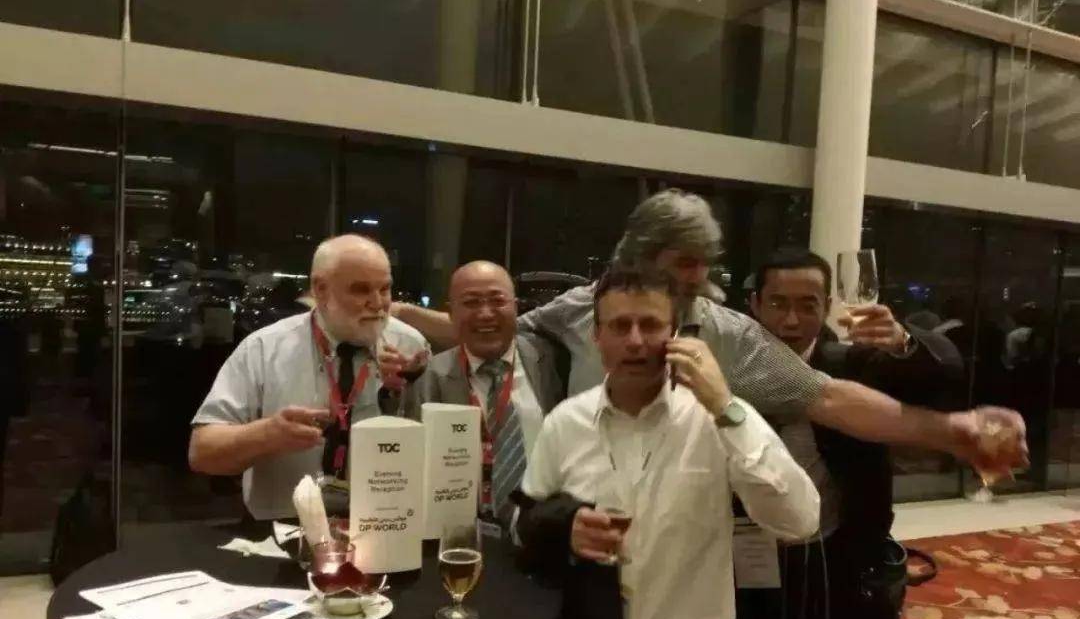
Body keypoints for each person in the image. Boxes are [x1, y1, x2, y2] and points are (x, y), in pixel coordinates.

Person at [392, 189, 1028, 479]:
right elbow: (486, 334)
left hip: (689, 532)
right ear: (640, 257)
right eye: (685, 262)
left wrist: (951, 431)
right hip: (583, 527)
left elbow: (829, 397)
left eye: (705, 263)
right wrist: (391, 317)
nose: (699, 277)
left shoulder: (729, 334)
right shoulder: (577, 310)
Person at [514, 266, 820, 619]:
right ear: (597, 338)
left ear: (675, 335)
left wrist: (725, 406)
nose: (636, 341)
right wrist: (564, 528)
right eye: (620, 326)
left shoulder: (720, 418)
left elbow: (800, 519)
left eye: (651, 325)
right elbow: (528, 522)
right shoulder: (565, 423)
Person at [735, 248, 964, 619]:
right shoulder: (729, 364)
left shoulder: (854, 364)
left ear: (827, 306)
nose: (791, 320)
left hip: (818, 554)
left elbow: (944, 376)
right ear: (754, 304)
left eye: (808, 304)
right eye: (778, 303)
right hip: (735, 551)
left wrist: (904, 341)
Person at [188, 235, 429, 520]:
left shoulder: (411, 346)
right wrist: (267, 435)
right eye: (360, 290)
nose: (378, 304)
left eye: (385, 289)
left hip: (385, 524)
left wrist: (402, 397)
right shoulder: (264, 348)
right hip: (283, 528)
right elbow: (202, 453)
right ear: (321, 290)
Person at [407, 261, 563, 534]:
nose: (485, 313)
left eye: (497, 300)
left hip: (544, 533)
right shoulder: (428, 378)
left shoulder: (553, 361)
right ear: (451, 313)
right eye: (471, 302)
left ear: (516, 307)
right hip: (458, 535)